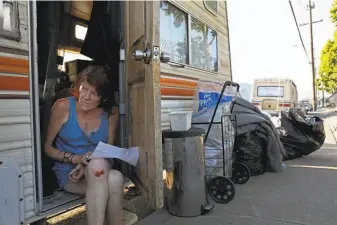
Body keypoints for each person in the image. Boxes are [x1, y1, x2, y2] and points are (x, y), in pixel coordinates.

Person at [44, 65, 123, 225]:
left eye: (94, 93)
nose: (86, 96)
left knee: (99, 167)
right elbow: (47, 148)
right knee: (115, 178)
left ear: (104, 97)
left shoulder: (111, 112)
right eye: (84, 89)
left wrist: (87, 163)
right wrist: (77, 159)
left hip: (98, 167)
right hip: (71, 174)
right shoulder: (63, 107)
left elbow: (108, 149)